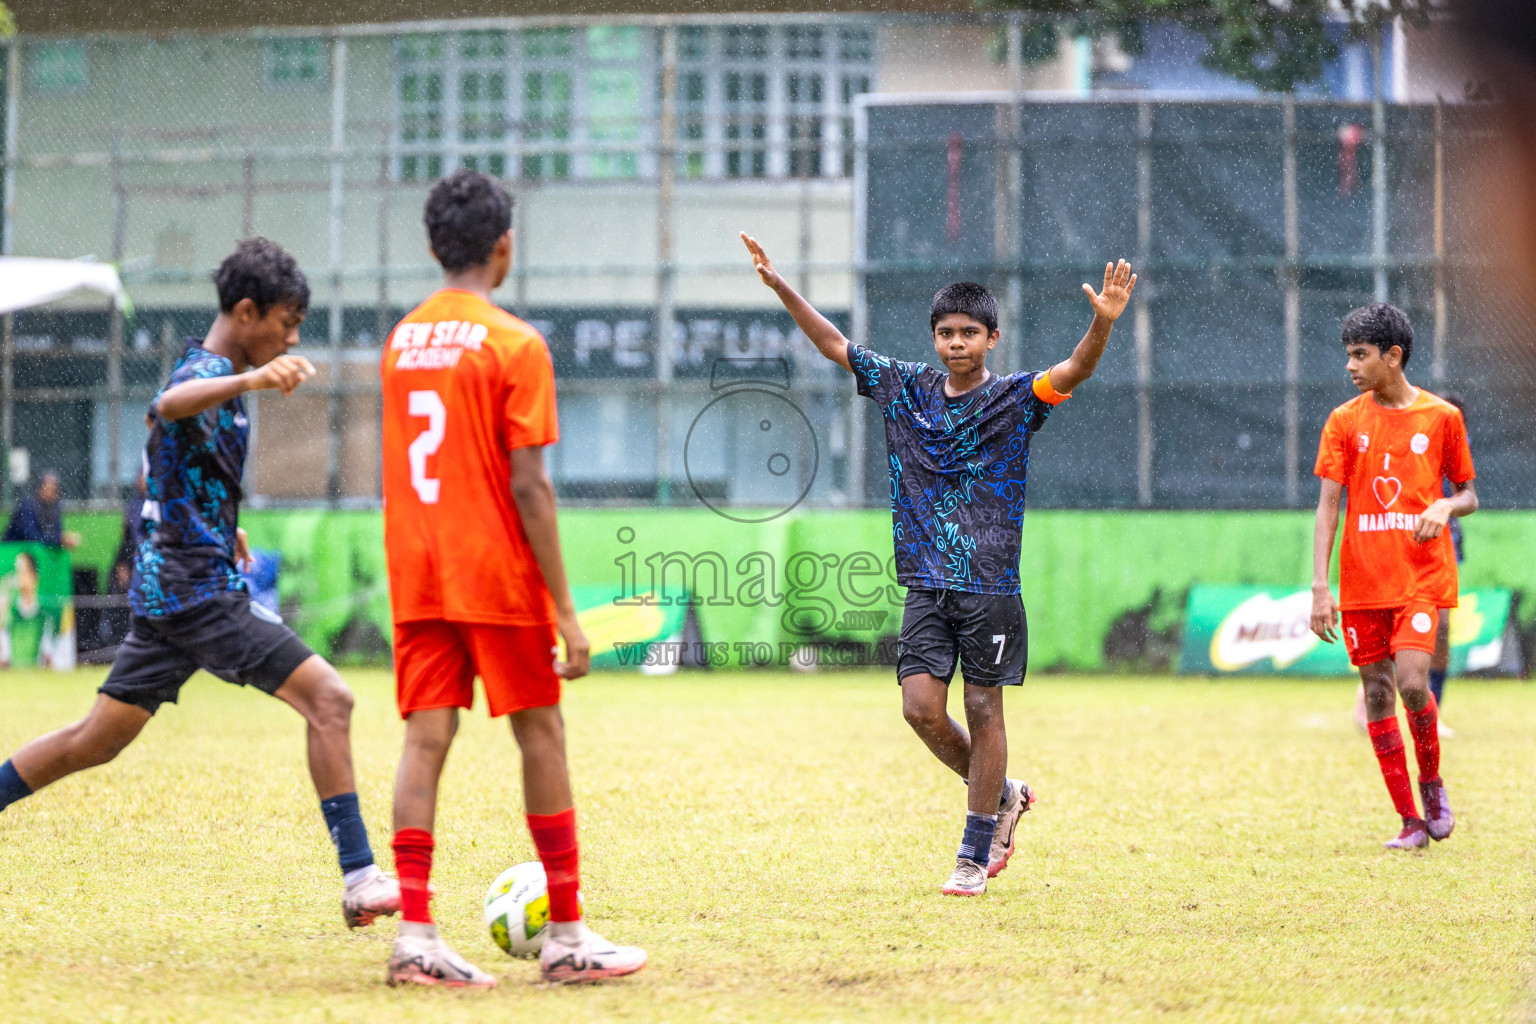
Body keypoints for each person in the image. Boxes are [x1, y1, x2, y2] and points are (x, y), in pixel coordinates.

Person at [0, 238, 401, 929]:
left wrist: (224, 525)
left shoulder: (226, 377)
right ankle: (362, 875)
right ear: (248, 312)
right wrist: (247, 382)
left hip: (173, 590)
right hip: (196, 595)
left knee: (95, 741)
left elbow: (171, 462)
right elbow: (169, 405)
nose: (291, 338)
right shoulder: (209, 372)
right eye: (286, 321)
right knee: (330, 700)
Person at [743, 231, 1135, 896]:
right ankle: (1003, 794)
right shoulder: (903, 389)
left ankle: (974, 853)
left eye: (970, 333)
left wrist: (1100, 324)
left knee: (985, 710)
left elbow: (1076, 371)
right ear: (934, 338)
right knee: (920, 709)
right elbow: (833, 345)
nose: (957, 343)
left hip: (989, 588)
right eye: (947, 332)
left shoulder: (1016, 397)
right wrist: (782, 287)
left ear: (992, 338)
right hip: (926, 584)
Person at [379, 169, 645, 987]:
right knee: (541, 733)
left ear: (432, 246)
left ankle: (415, 937)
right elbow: (529, 483)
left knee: (426, 738)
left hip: (417, 569)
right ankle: (566, 935)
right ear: (505, 246)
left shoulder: (400, 340)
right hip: (492, 571)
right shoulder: (514, 344)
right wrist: (566, 610)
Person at [1310, 303, 1476, 850]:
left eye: (1360, 355)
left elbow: (1469, 493)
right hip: (1362, 582)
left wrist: (1445, 508)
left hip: (1422, 577)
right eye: (1348, 355)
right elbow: (1328, 507)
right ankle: (1410, 823)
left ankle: (1431, 786)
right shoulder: (1343, 421)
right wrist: (1320, 587)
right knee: (1377, 694)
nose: (1351, 366)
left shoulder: (1441, 419)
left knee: (1410, 684)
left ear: (1393, 356)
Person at [3, 470, 82, 550]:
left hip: (35, 551)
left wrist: (63, 539)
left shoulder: (54, 508)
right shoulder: (27, 506)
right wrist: (59, 539)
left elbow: (57, 532)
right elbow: (31, 536)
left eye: (53, 490)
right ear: (39, 488)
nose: (50, 493)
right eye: (47, 488)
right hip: (13, 550)